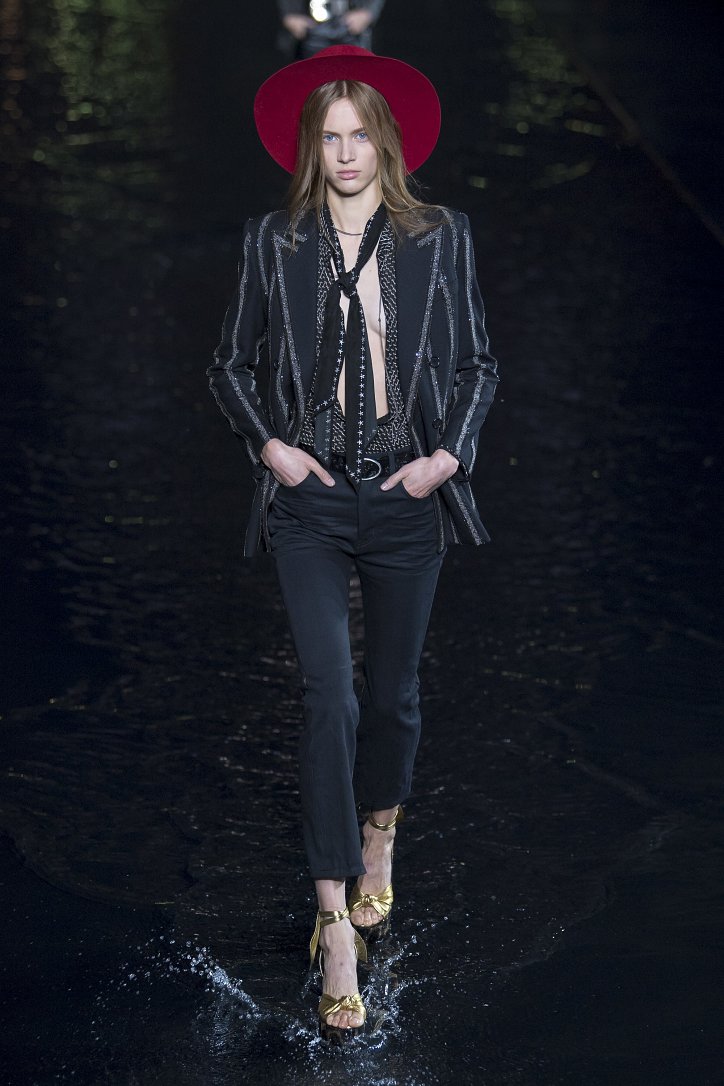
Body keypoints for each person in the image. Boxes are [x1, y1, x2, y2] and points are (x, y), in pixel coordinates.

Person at [207, 44, 499, 1043]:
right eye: (328, 138)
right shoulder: (273, 241)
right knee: (327, 695)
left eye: (358, 135)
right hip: (313, 501)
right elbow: (228, 365)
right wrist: (273, 449)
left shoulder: (439, 236)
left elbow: (479, 364)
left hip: (406, 495)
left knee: (393, 696)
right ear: (309, 147)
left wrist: (444, 460)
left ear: (385, 143)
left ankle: (381, 836)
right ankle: (334, 923)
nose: (344, 153)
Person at [277, 1, 385, 60]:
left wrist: (369, 12)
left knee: (355, 78)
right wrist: (289, 15)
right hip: (308, 29)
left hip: (351, 26)